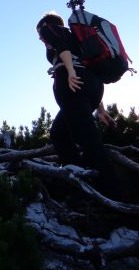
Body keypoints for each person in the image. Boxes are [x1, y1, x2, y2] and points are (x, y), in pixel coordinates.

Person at [36, 13, 118, 195]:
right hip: (92, 87)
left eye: (39, 34)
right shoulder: (78, 38)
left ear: (45, 25)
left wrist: (70, 72)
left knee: (88, 140)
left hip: (73, 85)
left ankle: (110, 191)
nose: (40, 38)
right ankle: (78, 174)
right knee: (59, 133)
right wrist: (100, 109)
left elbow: (62, 47)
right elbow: (88, 69)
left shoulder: (51, 29)